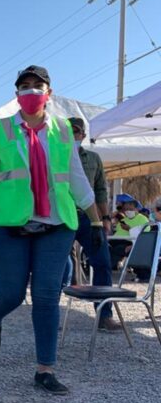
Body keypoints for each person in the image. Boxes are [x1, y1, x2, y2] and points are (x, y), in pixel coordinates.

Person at [0, 65, 104, 397]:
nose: (31, 91)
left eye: (38, 86)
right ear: (17, 94)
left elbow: (75, 177)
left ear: (49, 92)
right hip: (9, 225)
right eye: (25, 86)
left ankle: (45, 369)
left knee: (47, 296)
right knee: (11, 294)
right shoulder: (1, 129)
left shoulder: (63, 130)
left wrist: (96, 221)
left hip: (56, 225)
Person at [67, 117, 121, 331]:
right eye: (68, 132)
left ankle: (104, 314)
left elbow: (100, 190)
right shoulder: (55, 156)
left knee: (102, 262)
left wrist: (105, 218)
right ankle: (50, 312)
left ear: (82, 135)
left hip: (90, 219)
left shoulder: (94, 159)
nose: (73, 136)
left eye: (76, 132)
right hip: (63, 217)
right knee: (58, 265)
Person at [109, 198, 149, 271]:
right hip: (115, 240)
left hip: (130, 242)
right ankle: (106, 267)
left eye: (130, 210)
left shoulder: (143, 219)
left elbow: (145, 236)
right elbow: (117, 232)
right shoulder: (123, 220)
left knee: (118, 248)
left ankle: (107, 267)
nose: (128, 212)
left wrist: (129, 229)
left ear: (136, 208)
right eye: (126, 210)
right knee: (104, 246)